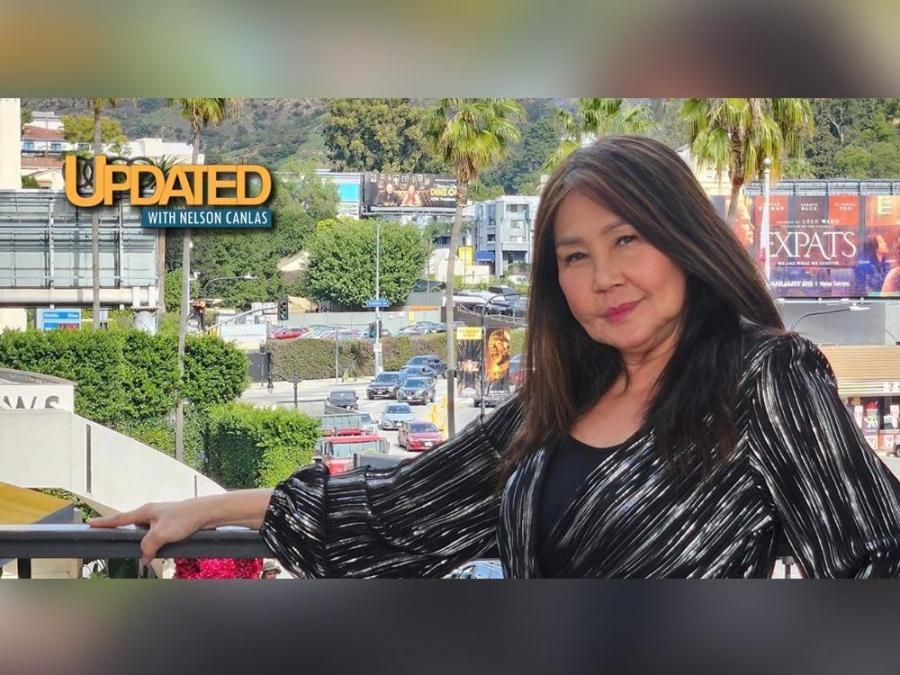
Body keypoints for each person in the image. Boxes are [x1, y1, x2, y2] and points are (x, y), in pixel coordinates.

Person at [90, 136, 900, 578]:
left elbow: (874, 558)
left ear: (683, 240)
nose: (604, 277)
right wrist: (208, 509)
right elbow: (396, 511)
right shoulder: (556, 407)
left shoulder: (766, 378)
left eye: (627, 240)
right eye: (575, 256)